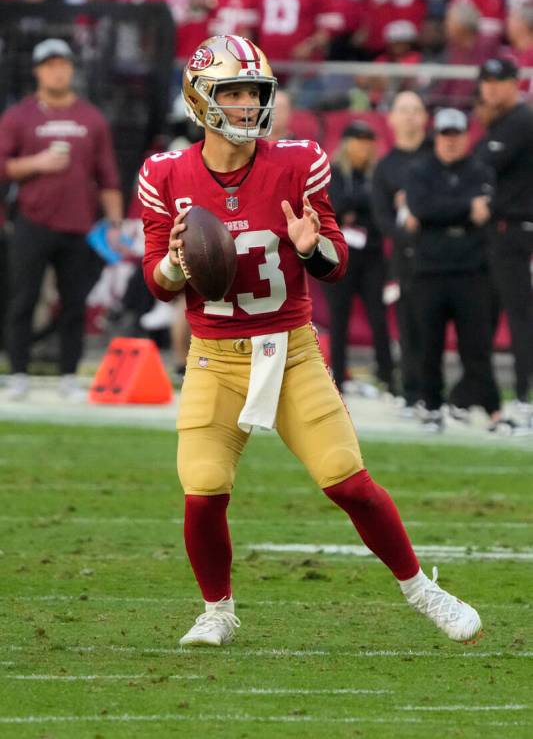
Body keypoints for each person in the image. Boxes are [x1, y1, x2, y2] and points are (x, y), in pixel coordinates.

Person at [140, 33, 481, 647]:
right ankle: (217, 611)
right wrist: (173, 262)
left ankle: (422, 589)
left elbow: (336, 262)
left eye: (254, 92)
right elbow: (157, 283)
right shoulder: (167, 174)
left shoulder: (297, 163)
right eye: (233, 92)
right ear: (199, 99)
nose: (247, 105)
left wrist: (309, 245)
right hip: (214, 355)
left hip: (288, 348)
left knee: (345, 477)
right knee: (203, 489)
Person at [0, 38, 123, 400]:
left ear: (71, 68)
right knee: (22, 299)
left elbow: (108, 177)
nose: (57, 70)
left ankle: (69, 373)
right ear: (38, 70)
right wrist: (35, 164)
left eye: (62, 63)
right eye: (49, 64)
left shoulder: (91, 118)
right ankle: (18, 371)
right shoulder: (18, 116)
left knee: (74, 302)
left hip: (79, 225)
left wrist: (115, 224)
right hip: (32, 221)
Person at [404, 108, 515, 433]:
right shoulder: (420, 169)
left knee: (477, 347)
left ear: (466, 136)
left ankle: (492, 410)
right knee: (429, 345)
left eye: (456, 134)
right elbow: (422, 208)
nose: (450, 141)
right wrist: (465, 209)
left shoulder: (480, 170)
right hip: (429, 271)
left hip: (471, 271)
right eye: (445, 134)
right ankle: (432, 407)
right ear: (436, 136)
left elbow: (485, 209)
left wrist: (438, 214)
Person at [475, 57, 533, 408]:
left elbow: (483, 164)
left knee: (519, 314)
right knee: (491, 314)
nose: (491, 88)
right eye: (486, 81)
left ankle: (524, 396)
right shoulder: (501, 123)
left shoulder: (521, 121)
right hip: (501, 232)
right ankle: (487, 394)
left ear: (516, 83)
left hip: (516, 231)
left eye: (499, 81)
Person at [325, 120, 395, 394]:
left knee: (379, 317)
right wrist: (358, 205)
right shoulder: (334, 172)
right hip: (340, 255)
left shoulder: (377, 174)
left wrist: (355, 208)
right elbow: (335, 205)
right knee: (338, 318)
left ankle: (388, 376)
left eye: (369, 142)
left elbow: (379, 212)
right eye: (359, 141)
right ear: (347, 144)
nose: (365, 148)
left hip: (372, 256)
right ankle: (338, 377)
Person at [371, 91, 430, 415]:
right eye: (403, 110)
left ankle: (436, 392)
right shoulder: (386, 167)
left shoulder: (439, 153)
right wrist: (407, 229)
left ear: (425, 117)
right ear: (391, 118)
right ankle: (410, 391)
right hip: (405, 257)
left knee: (437, 323)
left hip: (443, 254)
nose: (409, 116)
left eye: (416, 109)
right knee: (408, 325)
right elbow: (382, 218)